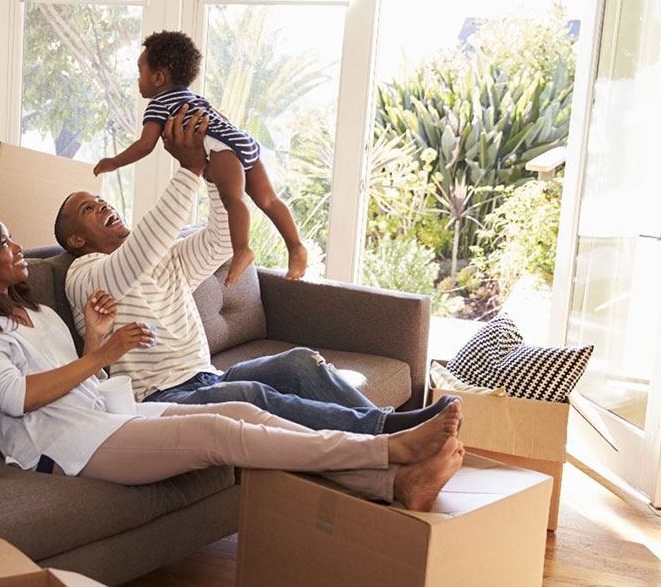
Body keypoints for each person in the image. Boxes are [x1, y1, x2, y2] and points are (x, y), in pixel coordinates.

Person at [0, 209, 464, 511]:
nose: (17, 247)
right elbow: (19, 398)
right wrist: (104, 354)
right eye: (3, 241)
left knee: (245, 416)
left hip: (103, 419)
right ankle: (385, 448)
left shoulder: (36, 312)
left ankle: (393, 484)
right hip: (60, 446)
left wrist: (95, 341)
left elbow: (81, 381)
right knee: (215, 433)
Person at [60, 103, 456, 435]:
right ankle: (388, 432)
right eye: (88, 209)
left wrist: (214, 175)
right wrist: (188, 169)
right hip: (160, 398)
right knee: (252, 396)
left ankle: (399, 428)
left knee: (300, 361)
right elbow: (136, 259)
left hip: (207, 376)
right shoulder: (85, 275)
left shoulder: (164, 257)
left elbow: (219, 241)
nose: (104, 206)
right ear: (76, 239)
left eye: (102, 200)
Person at [93, 30, 306, 284]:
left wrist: (114, 162)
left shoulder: (159, 105)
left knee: (233, 198)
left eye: (140, 72)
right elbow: (222, 119)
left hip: (221, 147)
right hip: (241, 139)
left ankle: (242, 249)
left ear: (158, 78)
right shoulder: (195, 98)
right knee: (269, 200)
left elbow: (145, 145)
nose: (138, 79)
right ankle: (295, 247)